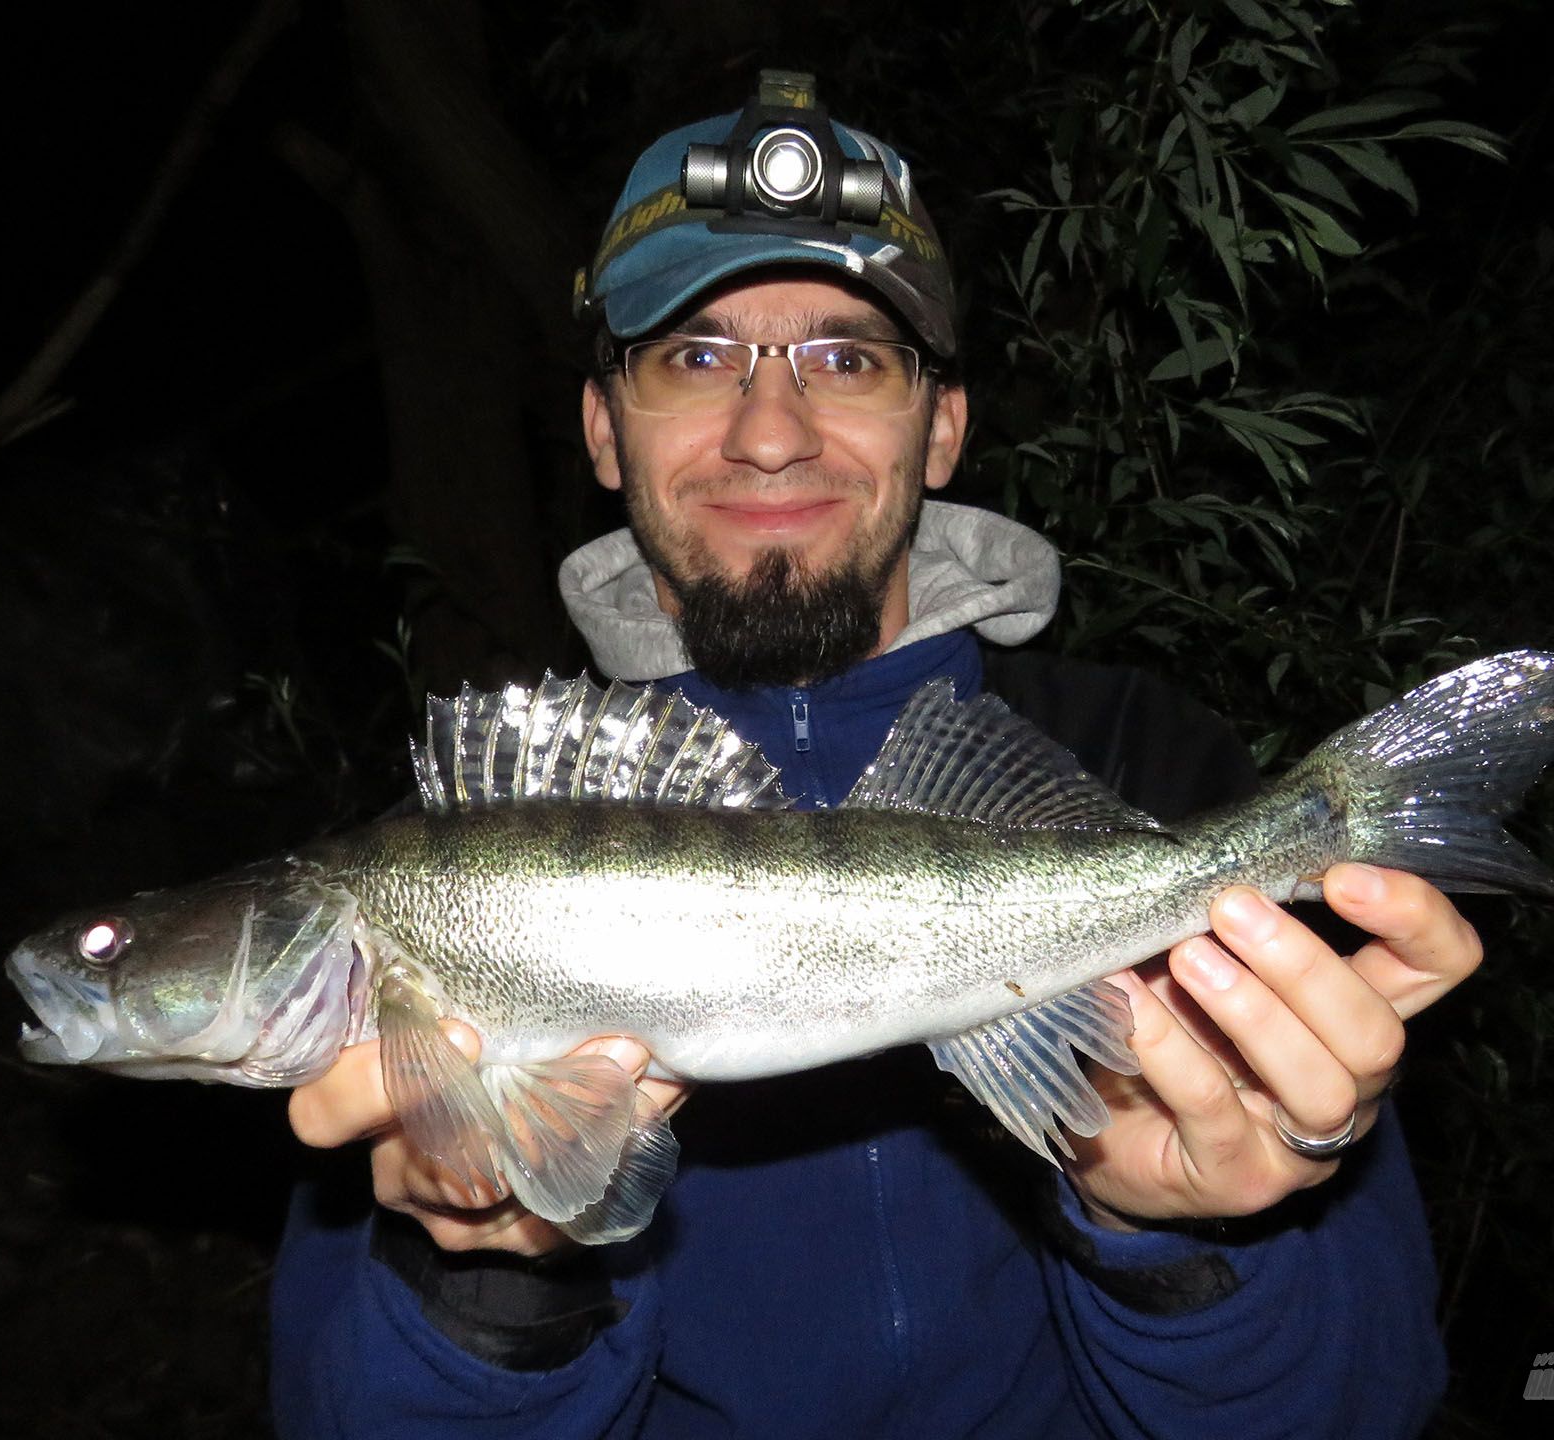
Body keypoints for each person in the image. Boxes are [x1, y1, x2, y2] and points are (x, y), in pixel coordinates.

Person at [270, 74, 1466, 1438]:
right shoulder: (462, 853)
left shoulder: (1144, 763)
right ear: (605, 428)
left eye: (845, 359)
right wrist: (488, 1281)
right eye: (696, 356)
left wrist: (1186, 1244)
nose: (770, 432)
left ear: (942, 425)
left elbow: (1369, 1406)